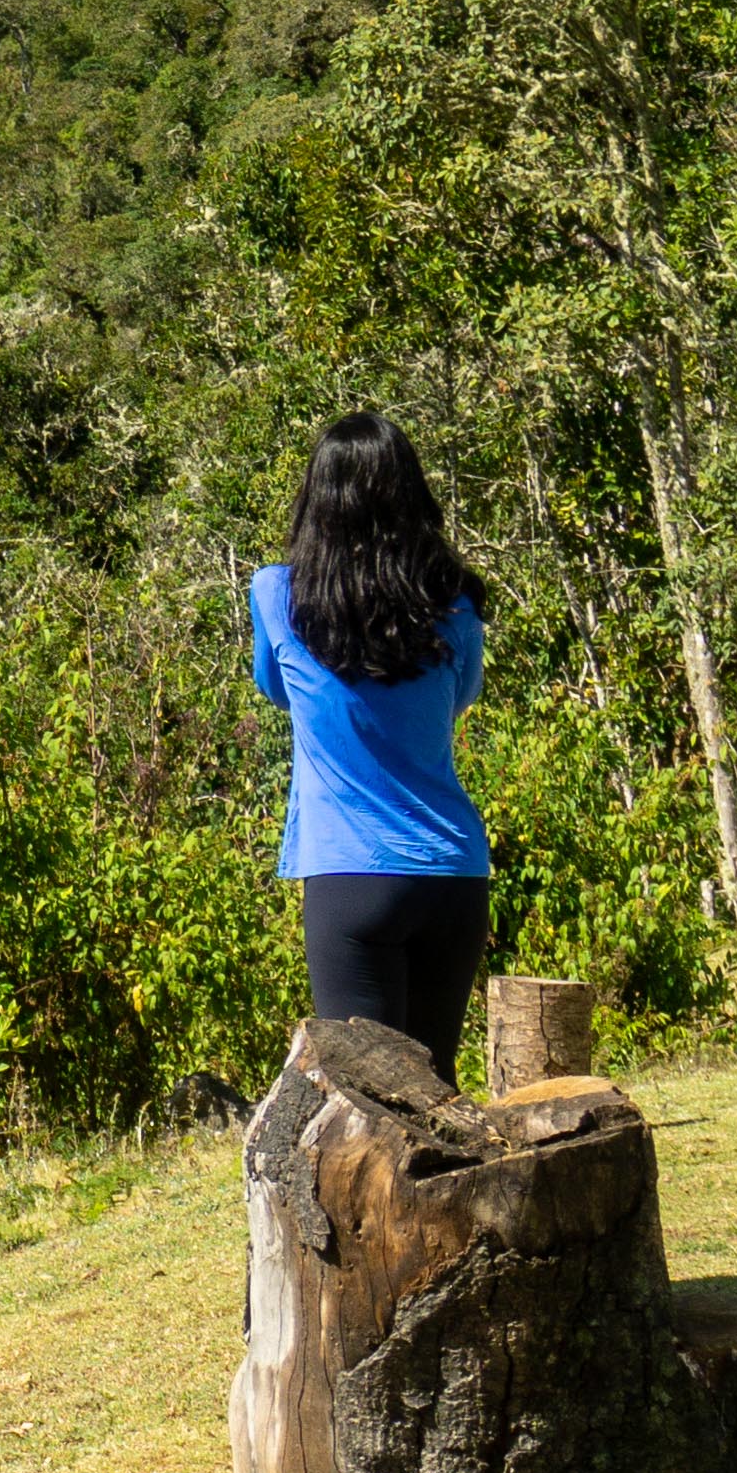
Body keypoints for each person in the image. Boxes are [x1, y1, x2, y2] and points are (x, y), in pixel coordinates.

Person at [246, 410, 494, 1075]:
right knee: (436, 1099)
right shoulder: (455, 603)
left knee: (365, 1106)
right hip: (453, 874)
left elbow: (273, 685)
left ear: (316, 500)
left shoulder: (278, 596)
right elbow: (459, 698)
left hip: (351, 877)